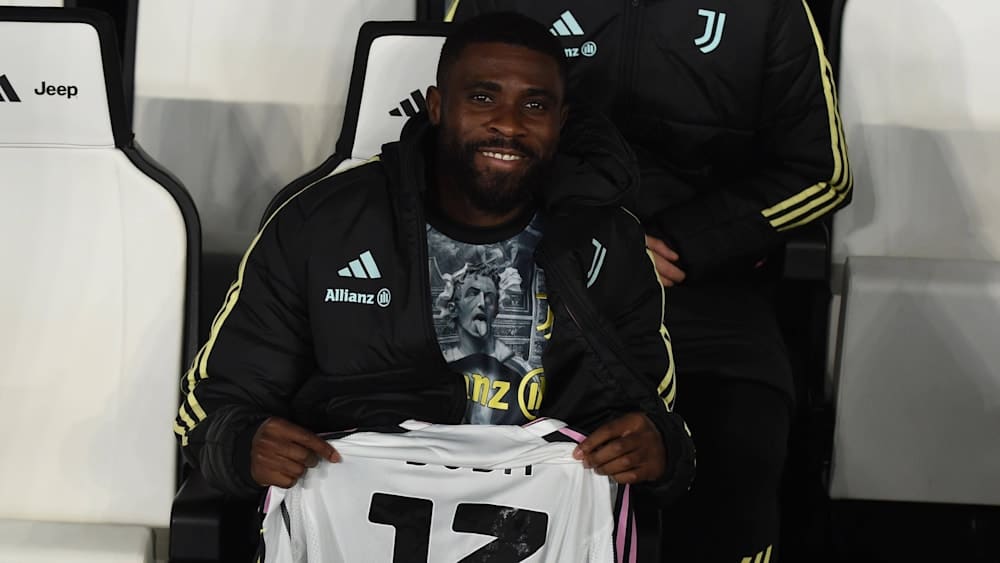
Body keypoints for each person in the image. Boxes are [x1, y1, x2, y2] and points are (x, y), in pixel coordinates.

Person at [173, 11, 694, 525]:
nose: (509, 124)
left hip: (543, 536)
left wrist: (660, 451)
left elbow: (654, 419)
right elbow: (215, 404)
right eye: (483, 98)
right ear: (438, 107)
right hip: (354, 533)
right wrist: (241, 444)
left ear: (561, 123)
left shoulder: (608, 241)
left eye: (534, 105)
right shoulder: (320, 223)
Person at [447, 2, 853, 561]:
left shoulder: (769, 9)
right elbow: (446, 133)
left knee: (738, 455)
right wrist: (596, 236)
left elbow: (821, 171)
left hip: (700, 290)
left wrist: (683, 240)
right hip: (531, 269)